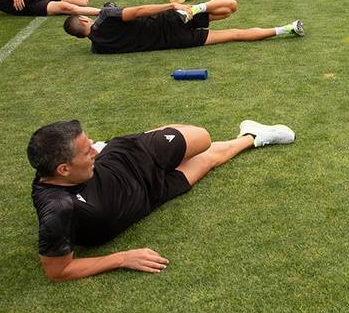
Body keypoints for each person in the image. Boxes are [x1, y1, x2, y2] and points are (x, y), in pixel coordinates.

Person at [28, 118, 295, 281]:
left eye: (90, 148)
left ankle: (140, 136)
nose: (92, 155)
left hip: (132, 156)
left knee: (202, 137)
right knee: (209, 160)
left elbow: (93, 161)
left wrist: (101, 150)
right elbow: (57, 271)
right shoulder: (57, 209)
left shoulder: (69, 170)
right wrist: (121, 258)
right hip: (150, 195)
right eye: (87, 153)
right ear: (63, 170)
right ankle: (253, 136)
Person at [62, 0, 303, 54]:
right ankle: (199, 7)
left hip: (173, 42)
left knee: (234, 34)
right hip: (168, 21)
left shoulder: (99, 48)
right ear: (84, 20)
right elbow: (137, 11)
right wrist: (170, 5)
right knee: (230, 5)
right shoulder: (105, 16)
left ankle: (287, 29)